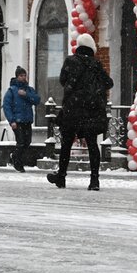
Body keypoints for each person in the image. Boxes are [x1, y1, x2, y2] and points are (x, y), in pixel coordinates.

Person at [48, 33, 113, 191]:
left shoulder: (71, 61)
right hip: (91, 110)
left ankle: (61, 177)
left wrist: (75, 87)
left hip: (73, 109)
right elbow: (108, 82)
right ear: (91, 48)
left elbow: (63, 80)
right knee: (92, 144)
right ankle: (94, 180)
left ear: (79, 46)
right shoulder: (96, 64)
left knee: (66, 143)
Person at [2, 66, 40, 172]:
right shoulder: (12, 91)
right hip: (17, 121)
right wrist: (11, 120)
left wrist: (26, 95)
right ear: (17, 76)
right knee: (21, 141)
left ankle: (15, 156)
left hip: (27, 120)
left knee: (27, 142)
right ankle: (17, 161)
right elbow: (7, 106)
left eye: (24, 75)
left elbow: (37, 100)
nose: (23, 78)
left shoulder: (29, 89)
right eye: (21, 76)